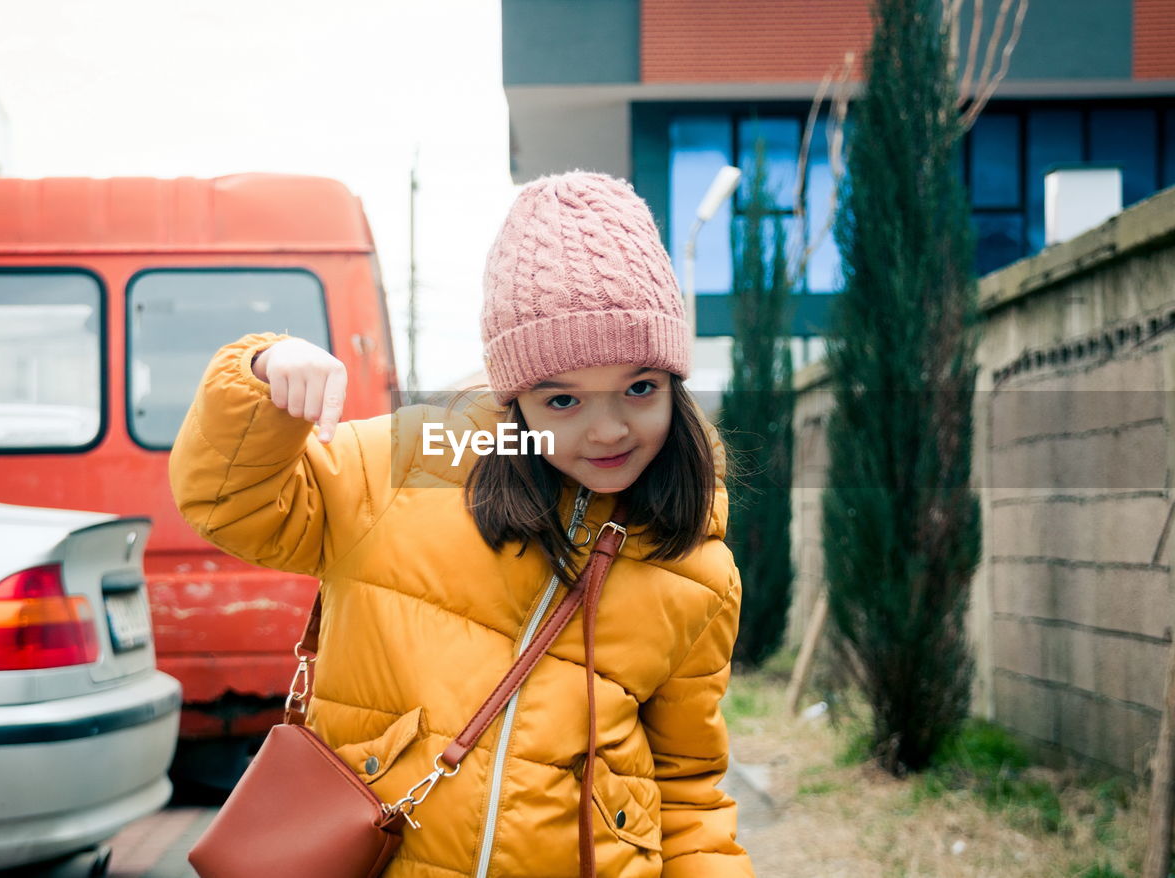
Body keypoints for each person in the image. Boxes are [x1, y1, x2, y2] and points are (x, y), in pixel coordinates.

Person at [168, 171, 755, 877]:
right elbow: (228, 504)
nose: (607, 431)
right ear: (514, 397)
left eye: (639, 388)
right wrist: (256, 375)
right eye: (562, 399)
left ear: (675, 383)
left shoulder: (698, 565)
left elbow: (689, 792)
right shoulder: (406, 465)